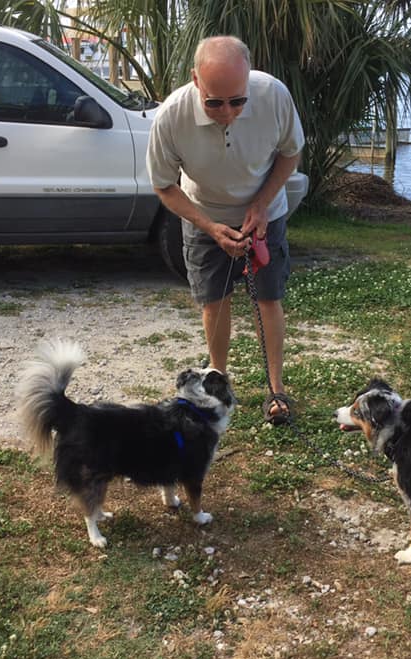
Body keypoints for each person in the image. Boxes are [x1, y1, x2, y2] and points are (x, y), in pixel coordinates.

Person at [146, 36, 305, 424]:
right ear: (196, 80)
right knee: (213, 300)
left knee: (268, 298)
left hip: (265, 210)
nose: (227, 112)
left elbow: (290, 153)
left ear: (249, 82)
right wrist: (210, 227)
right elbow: (163, 184)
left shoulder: (273, 96)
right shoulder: (172, 115)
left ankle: (276, 391)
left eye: (237, 101)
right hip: (204, 213)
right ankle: (218, 380)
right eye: (214, 102)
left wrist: (261, 204)